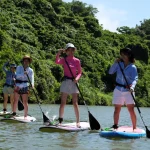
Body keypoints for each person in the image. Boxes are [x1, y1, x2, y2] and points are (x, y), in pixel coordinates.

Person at [109, 48, 138, 130]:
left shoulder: (133, 67)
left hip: (128, 90)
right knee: (117, 109)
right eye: (122, 55)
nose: (123, 56)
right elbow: (110, 72)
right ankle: (115, 125)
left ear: (129, 55)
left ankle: (134, 128)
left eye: (125, 54)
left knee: (131, 109)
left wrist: (132, 87)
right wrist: (115, 63)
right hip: (118, 89)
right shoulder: (118, 64)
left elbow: (135, 79)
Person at [55, 43, 82, 127]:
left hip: (74, 82)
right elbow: (56, 61)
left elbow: (80, 72)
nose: (71, 51)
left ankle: (78, 121)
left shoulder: (77, 60)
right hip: (66, 81)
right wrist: (58, 53)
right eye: (69, 50)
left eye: (72, 50)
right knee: (63, 102)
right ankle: (60, 121)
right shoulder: (64, 59)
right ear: (66, 51)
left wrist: (77, 79)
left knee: (75, 102)